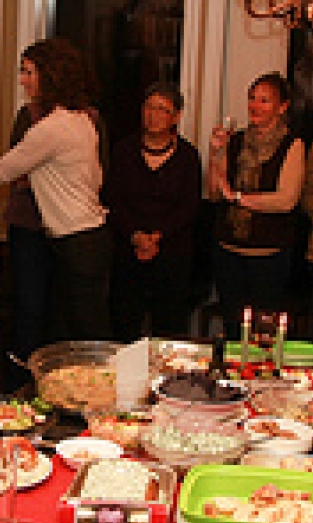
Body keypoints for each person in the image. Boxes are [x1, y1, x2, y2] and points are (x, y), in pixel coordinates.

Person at [0, 38, 110, 344]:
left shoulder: (50, 128)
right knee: (80, 331)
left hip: (76, 241)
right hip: (91, 236)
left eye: (29, 72)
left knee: (87, 336)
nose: (22, 80)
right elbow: (95, 179)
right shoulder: (82, 120)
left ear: (50, 75)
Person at [207, 71, 305, 339]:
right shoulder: (236, 140)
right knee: (232, 328)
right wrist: (215, 151)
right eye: (252, 98)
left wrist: (239, 199)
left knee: (262, 333)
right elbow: (214, 192)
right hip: (228, 250)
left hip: (269, 255)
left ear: (282, 107)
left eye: (264, 100)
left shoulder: (291, 144)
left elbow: (286, 200)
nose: (255, 106)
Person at [107, 82, 202, 343]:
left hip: (172, 251)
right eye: (149, 107)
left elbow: (189, 206)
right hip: (128, 248)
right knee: (124, 325)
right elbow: (113, 200)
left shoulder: (188, 156)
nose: (153, 115)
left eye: (162, 109)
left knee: (169, 328)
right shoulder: (123, 151)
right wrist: (136, 236)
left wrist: (157, 237)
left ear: (176, 116)